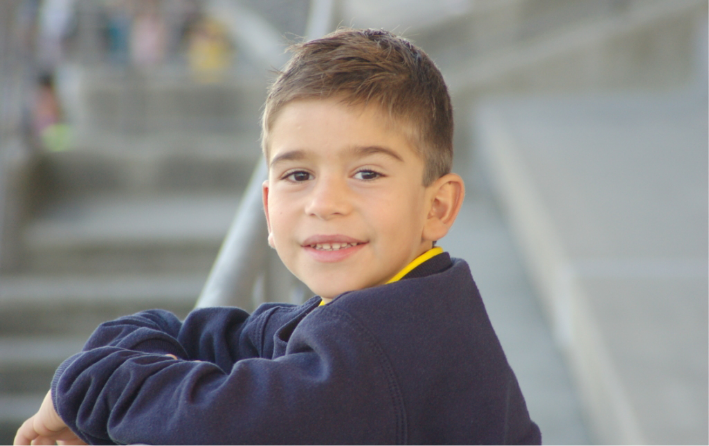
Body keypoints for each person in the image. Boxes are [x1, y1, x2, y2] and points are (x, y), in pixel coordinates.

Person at [14, 28, 542, 446]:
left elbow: (225, 423)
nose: (325, 202)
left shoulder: (386, 348)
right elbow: (225, 336)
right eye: (298, 175)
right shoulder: (405, 300)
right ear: (268, 209)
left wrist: (87, 389)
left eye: (367, 173)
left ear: (438, 207)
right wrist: (125, 350)